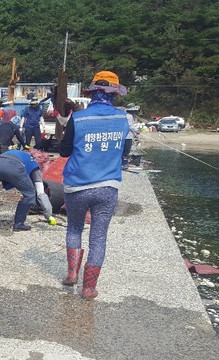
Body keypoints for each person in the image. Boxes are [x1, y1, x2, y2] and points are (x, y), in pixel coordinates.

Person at [58, 70, 129, 300]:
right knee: (98, 236)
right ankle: (88, 288)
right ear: (114, 94)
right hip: (108, 186)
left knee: (74, 228)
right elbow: (125, 154)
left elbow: (64, 151)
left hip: (77, 185)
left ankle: (71, 275)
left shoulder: (78, 119)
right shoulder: (123, 119)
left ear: (92, 94)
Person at [0, 149, 56, 230]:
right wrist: (49, 215)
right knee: (30, 194)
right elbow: (40, 193)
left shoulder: (18, 153)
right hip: (13, 166)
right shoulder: (34, 165)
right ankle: (19, 224)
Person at [122, 103, 141, 169]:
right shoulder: (129, 116)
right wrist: (136, 131)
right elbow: (130, 126)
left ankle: (124, 163)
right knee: (126, 150)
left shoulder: (127, 115)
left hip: (128, 135)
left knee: (125, 150)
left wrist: (135, 135)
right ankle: (124, 164)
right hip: (127, 136)